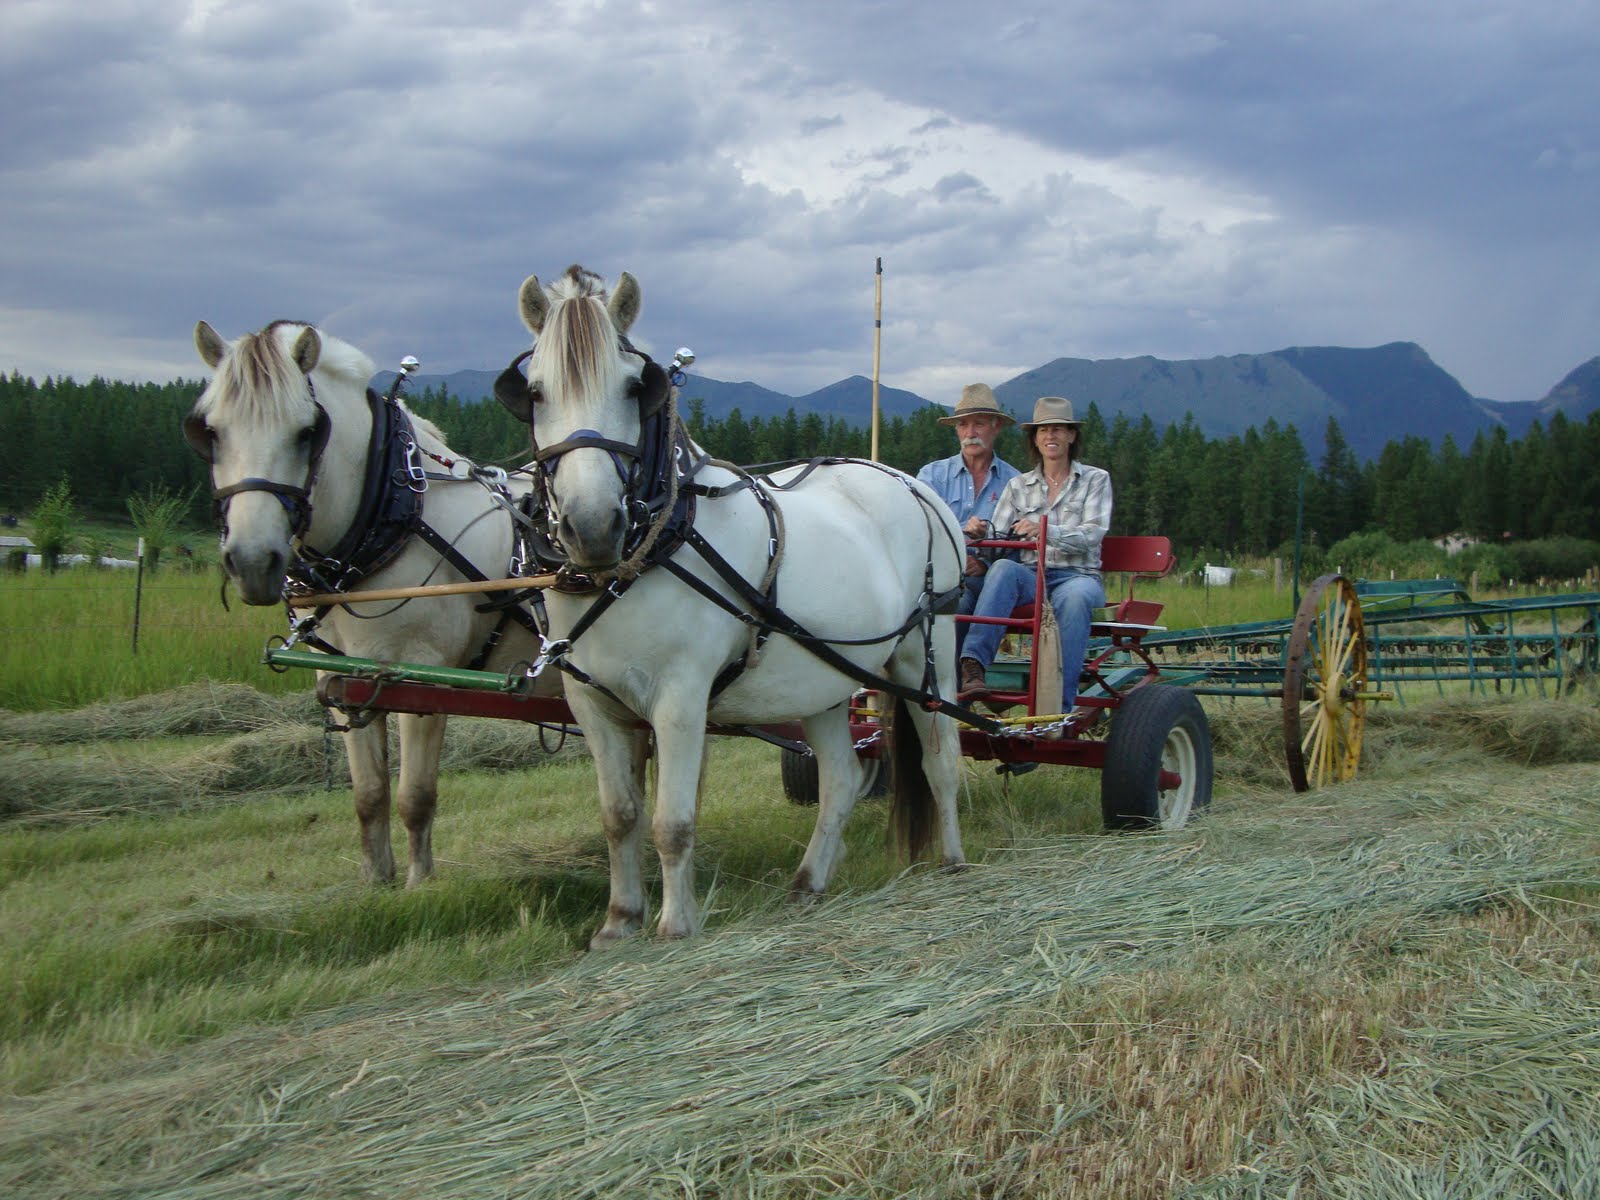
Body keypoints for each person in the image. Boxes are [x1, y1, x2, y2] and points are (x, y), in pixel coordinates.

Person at [957, 395, 1112, 715]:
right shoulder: (1019, 486)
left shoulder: (1095, 479)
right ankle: (973, 666)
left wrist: (1044, 530)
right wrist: (983, 534)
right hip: (1030, 576)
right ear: (1035, 438)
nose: (1050, 436)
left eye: (1058, 429)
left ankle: (1058, 706)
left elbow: (1092, 534)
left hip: (1077, 576)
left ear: (1071, 436)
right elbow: (1001, 538)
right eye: (1043, 431)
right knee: (1001, 567)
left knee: (1075, 600)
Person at [915, 383, 1021, 625]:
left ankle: (964, 662)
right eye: (963, 424)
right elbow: (921, 528)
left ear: (996, 427)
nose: (970, 432)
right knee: (954, 604)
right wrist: (962, 542)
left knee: (960, 604)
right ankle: (960, 663)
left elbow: (1021, 546)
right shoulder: (932, 475)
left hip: (989, 580)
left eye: (979, 424)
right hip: (938, 576)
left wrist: (984, 564)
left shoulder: (1016, 482)